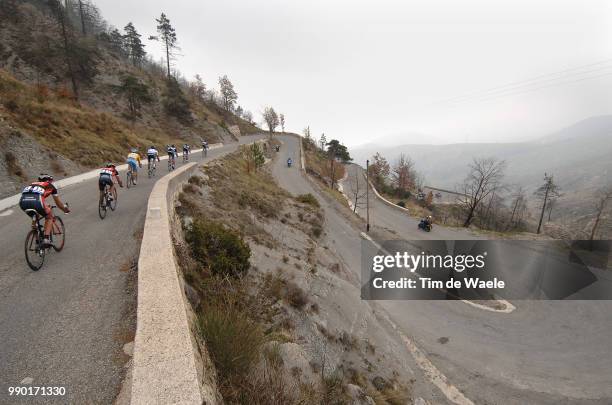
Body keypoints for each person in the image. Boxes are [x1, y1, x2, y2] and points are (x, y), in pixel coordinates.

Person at [19, 174, 70, 247]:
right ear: (49, 181)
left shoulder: (32, 184)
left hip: (23, 202)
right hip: (36, 201)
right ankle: (46, 239)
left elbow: (35, 196)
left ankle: (37, 238)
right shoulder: (50, 186)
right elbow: (58, 204)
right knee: (49, 217)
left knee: (35, 216)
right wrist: (65, 210)